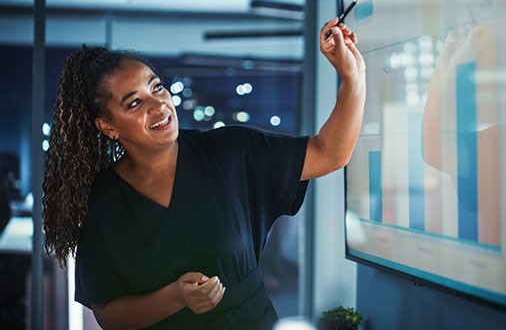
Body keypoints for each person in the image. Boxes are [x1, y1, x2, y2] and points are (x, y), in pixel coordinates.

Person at [42, 18, 365, 329]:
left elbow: (328, 153)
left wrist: (352, 78)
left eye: (156, 87)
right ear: (107, 127)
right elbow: (108, 314)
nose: (158, 105)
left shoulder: (231, 152)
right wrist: (174, 296)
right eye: (134, 103)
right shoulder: (103, 204)